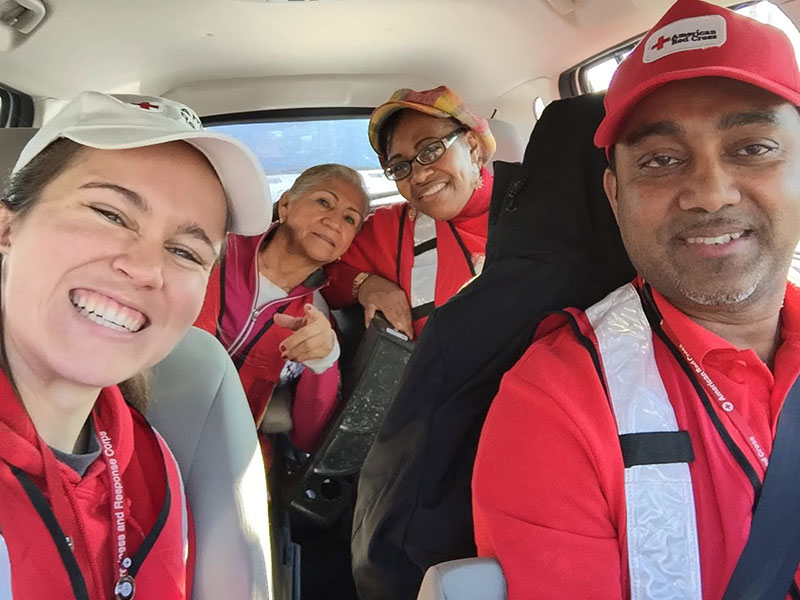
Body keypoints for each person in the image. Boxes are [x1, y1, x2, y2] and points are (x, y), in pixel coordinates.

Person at [472, 0, 800, 598]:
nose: (709, 194)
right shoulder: (554, 406)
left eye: (753, 148)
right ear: (615, 194)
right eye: (660, 160)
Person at [0, 91, 271, 599]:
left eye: (184, 251)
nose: (147, 269)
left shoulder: (150, 463)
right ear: (8, 226)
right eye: (110, 214)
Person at [195, 164, 369, 453]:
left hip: (223, 450)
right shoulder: (216, 249)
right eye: (324, 202)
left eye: (350, 219)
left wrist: (323, 363)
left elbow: (308, 438)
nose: (335, 222)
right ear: (286, 204)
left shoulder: (316, 324)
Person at [323, 85, 496, 338]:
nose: (419, 175)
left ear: (471, 147)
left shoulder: (538, 211)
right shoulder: (391, 228)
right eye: (400, 166)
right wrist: (366, 285)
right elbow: (322, 269)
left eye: (431, 150)